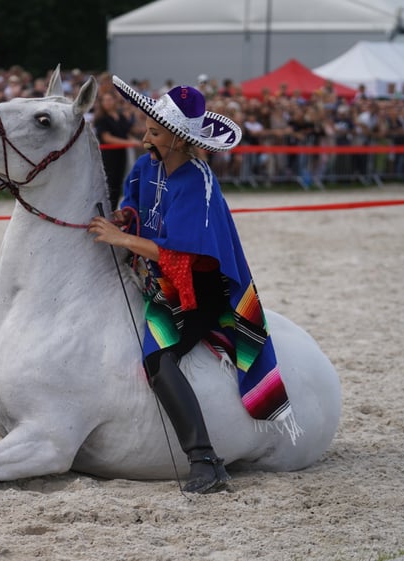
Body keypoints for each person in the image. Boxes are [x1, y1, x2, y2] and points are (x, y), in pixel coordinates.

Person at [88, 79, 297, 494]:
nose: (145, 135)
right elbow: (135, 201)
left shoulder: (198, 183)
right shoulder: (147, 164)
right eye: (147, 127)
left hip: (195, 290)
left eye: (155, 131)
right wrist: (125, 217)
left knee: (158, 360)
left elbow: (184, 255)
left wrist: (122, 240)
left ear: (180, 141)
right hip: (155, 275)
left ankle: (204, 460)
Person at [93, 91, 138, 209]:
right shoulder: (102, 119)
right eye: (105, 100)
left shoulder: (120, 116)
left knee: (118, 182)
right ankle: (107, 209)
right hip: (108, 155)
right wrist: (130, 142)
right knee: (109, 183)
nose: (108, 102)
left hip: (121, 153)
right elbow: (107, 138)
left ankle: (113, 209)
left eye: (110, 99)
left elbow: (126, 133)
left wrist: (135, 141)